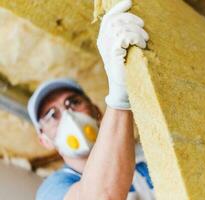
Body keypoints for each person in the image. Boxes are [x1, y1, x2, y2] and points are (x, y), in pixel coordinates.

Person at [27, 0, 154, 199]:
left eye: (73, 102)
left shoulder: (145, 164)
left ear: (97, 111)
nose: (68, 115)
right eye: (51, 115)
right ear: (45, 140)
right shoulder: (52, 189)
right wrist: (120, 95)